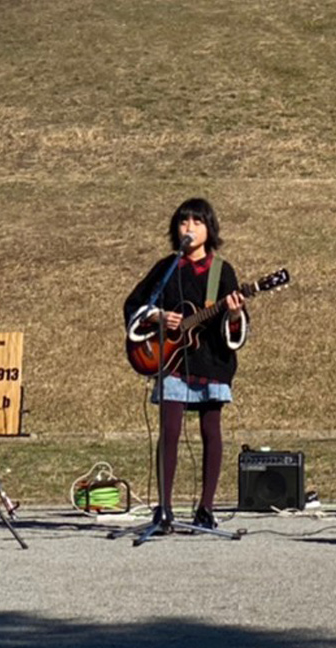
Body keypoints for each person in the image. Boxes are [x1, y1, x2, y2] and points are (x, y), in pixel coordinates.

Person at [123, 198, 248, 530]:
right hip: (173, 361)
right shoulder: (166, 268)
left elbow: (235, 325)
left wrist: (234, 314)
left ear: (209, 230)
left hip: (212, 360)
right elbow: (135, 304)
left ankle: (205, 508)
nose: (189, 228)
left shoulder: (222, 271)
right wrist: (160, 316)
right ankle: (163, 509)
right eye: (183, 222)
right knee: (170, 430)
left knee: (211, 429)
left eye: (196, 222)